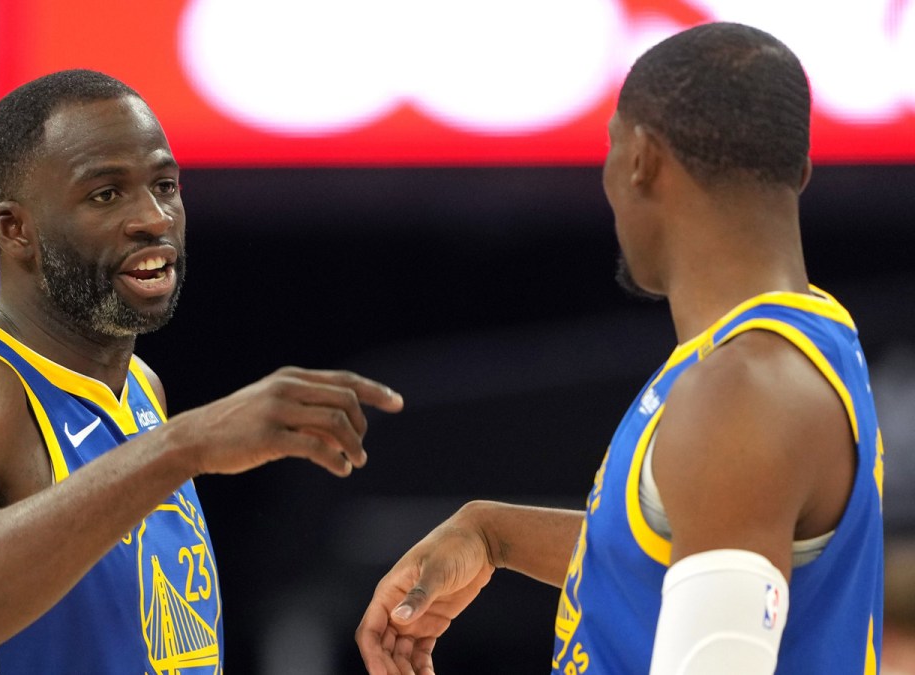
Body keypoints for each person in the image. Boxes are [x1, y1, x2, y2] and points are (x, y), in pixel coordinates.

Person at [356, 22, 883, 675]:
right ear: (797, 172)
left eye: (608, 150)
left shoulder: (742, 390)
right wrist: (494, 532)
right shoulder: (806, 341)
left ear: (641, 159)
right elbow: (689, 542)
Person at [0, 69, 404, 675]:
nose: (154, 218)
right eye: (106, 194)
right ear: (17, 230)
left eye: (165, 185)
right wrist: (184, 446)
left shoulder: (143, 390)